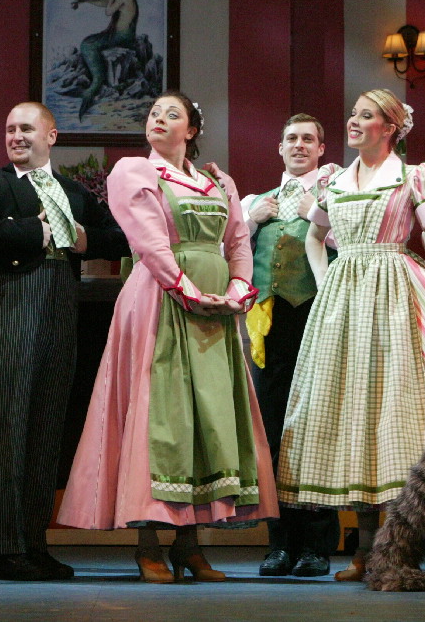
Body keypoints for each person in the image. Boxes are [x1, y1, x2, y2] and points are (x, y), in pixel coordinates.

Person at [276, 89, 425, 583]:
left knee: (416, 413)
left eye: (366, 115)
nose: (354, 122)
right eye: (353, 114)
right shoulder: (334, 179)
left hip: (395, 296)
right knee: (355, 415)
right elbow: (315, 237)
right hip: (344, 304)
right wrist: (326, 282)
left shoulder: (414, 175)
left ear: (391, 127)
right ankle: (365, 549)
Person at [58, 91, 276, 583]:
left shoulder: (218, 181)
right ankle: (148, 543)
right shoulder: (136, 172)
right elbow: (150, 242)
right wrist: (188, 290)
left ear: (191, 130)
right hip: (162, 299)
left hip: (214, 310)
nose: (158, 119)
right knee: (161, 415)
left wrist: (237, 290)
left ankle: (190, 546)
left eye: (171, 114)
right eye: (154, 113)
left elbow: (238, 242)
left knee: (206, 417)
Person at [0, 101, 129, 581]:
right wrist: (32, 231)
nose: (16, 136)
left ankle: (35, 543)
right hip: (13, 300)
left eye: (26, 128)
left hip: (62, 304)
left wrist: (87, 240)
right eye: (10, 129)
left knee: (48, 424)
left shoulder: (72, 190)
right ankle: (6, 548)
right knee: (6, 424)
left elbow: (121, 235)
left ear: (51, 136)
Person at [240, 113, 340, 578]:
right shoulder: (257, 202)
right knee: (272, 432)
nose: (299, 145)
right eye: (291, 139)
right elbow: (229, 254)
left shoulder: (334, 197)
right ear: (280, 148)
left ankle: (316, 545)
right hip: (268, 327)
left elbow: (352, 245)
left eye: (308, 139)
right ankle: (279, 543)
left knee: (316, 428)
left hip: (316, 318)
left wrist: (315, 215)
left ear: (321, 149)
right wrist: (249, 220)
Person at [70, 0, 140, 118]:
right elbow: (104, 2)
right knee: (89, 41)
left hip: (121, 36)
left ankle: (96, 82)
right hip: (121, 35)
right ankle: (96, 82)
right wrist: (85, 0)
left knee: (87, 44)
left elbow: (108, 11)